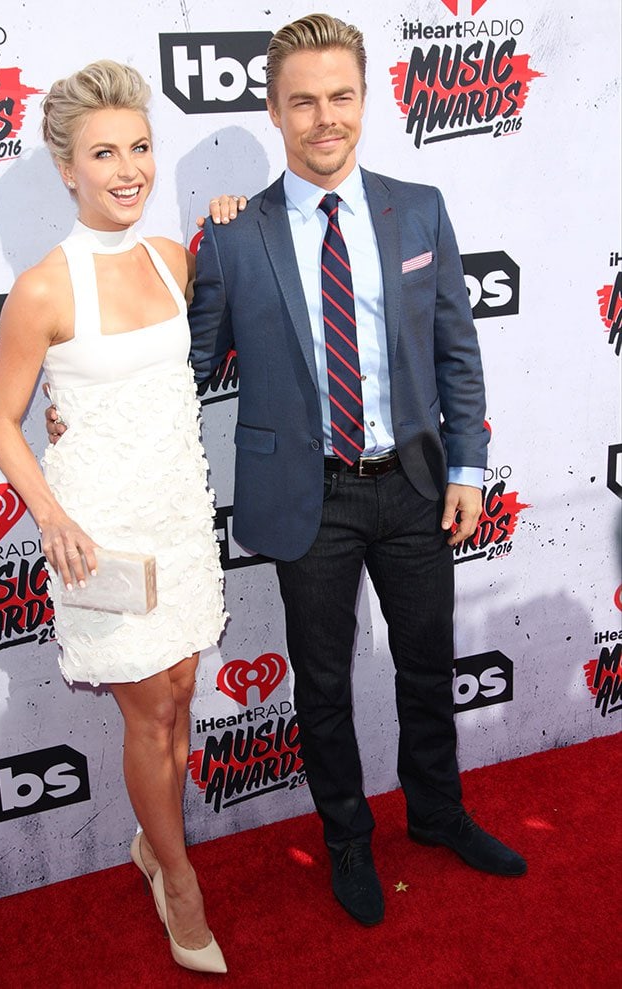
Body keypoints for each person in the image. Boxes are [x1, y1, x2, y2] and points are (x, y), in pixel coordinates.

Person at [186, 14, 527, 926]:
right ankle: (346, 837)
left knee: (425, 664)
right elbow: (187, 365)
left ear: (365, 100)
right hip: (310, 497)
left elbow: (457, 350)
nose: (323, 117)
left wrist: (467, 464)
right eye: (303, 100)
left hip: (414, 483)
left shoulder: (419, 209)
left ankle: (438, 812)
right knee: (324, 683)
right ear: (273, 109)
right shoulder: (232, 236)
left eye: (340, 96)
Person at [0, 61, 230, 974]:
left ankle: (151, 848)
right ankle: (179, 876)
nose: (127, 168)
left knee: (181, 696)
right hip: (100, 527)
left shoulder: (172, 259)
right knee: (148, 712)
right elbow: (0, 421)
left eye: (138, 147)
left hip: (176, 509)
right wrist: (50, 515)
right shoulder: (43, 288)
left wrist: (235, 219)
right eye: (103, 153)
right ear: (66, 169)